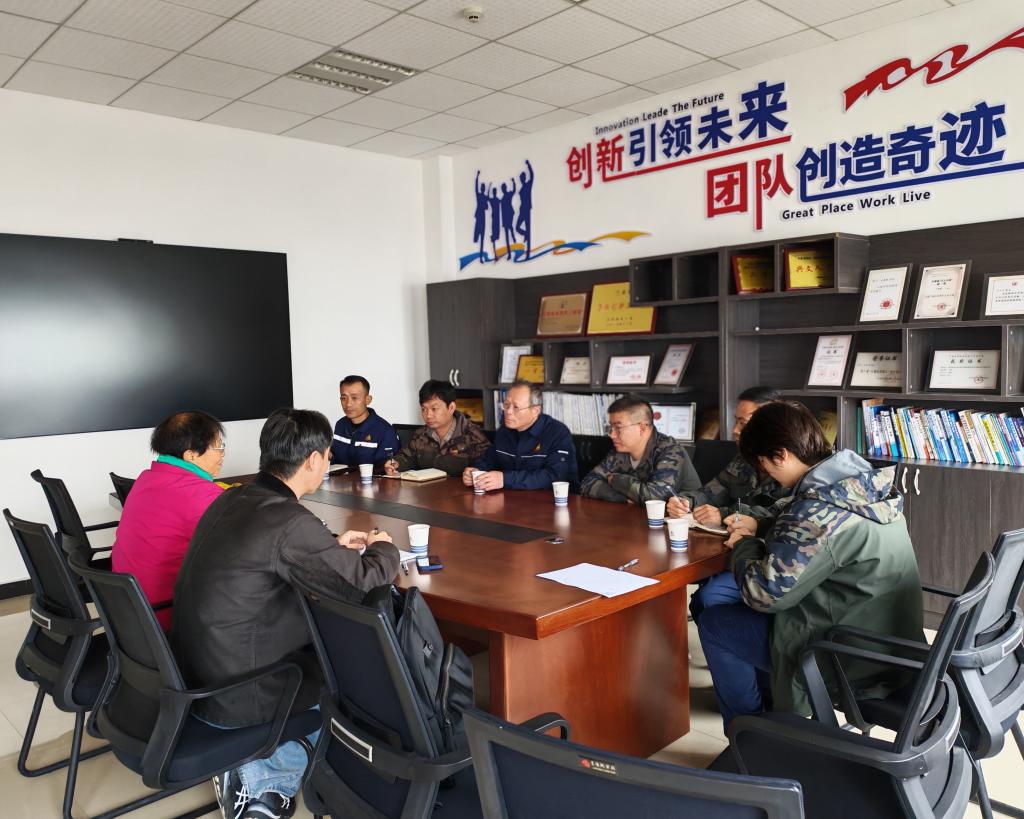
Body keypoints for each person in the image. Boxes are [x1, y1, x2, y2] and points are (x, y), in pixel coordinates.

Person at [173, 408, 399, 819]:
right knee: (348, 670)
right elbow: (363, 584)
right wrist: (384, 545)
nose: (327, 462)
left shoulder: (233, 497)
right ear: (313, 460)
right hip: (242, 689)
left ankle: (250, 767)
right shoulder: (288, 520)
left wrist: (328, 547)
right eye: (327, 455)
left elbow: (271, 552)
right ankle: (263, 784)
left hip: (196, 670)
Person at [696, 402, 922, 730]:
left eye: (763, 464)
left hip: (847, 657)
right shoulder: (861, 483)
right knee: (727, 604)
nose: (766, 474)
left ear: (781, 455)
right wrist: (760, 525)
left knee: (716, 623)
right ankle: (770, 709)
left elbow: (762, 593)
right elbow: (813, 531)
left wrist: (744, 544)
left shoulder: (815, 512)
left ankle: (750, 733)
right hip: (890, 641)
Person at [666, 386, 791, 622]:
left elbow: (775, 515)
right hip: (728, 546)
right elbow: (712, 491)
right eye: (736, 421)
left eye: (743, 423)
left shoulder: (790, 463)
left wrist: (722, 514)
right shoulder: (743, 459)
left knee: (707, 598)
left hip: (765, 556)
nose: (735, 430)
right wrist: (686, 500)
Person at [111, 410, 225, 630]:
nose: (222, 454)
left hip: (126, 609)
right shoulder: (202, 495)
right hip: (165, 615)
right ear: (191, 456)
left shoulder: (146, 478)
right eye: (218, 447)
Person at [580, 395, 700, 503]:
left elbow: (655, 497)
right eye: (610, 428)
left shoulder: (670, 450)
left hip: (683, 518)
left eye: (618, 428)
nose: (612, 435)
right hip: (636, 515)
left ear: (642, 428)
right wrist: (622, 497)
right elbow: (587, 483)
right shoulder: (621, 449)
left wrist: (617, 480)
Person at [462, 380, 577, 491]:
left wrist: (505, 479)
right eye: (506, 405)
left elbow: (554, 476)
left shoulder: (557, 433)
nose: (508, 411)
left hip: (553, 500)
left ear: (535, 410)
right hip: (514, 498)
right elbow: (489, 459)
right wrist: (476, 471)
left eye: (516, 407)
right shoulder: (505, 430)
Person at [384, 379, 490, 477]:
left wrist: (473, 473)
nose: (428, 415)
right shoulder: (420, 434)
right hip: (427, 490)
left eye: (434, 409)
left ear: (451, 407)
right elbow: (407, 457)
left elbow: (486, 466)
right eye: (424, 409)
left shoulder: (473, 436)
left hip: (460, 491)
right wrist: (396, 463)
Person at [330, 375, 399, 470]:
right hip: (340, 479)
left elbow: (386, 468)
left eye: (354, 398)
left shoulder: (385, 431)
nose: (348, 404)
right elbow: (335, 459)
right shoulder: (340, 425)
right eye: (343, 398)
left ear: (368, 400)